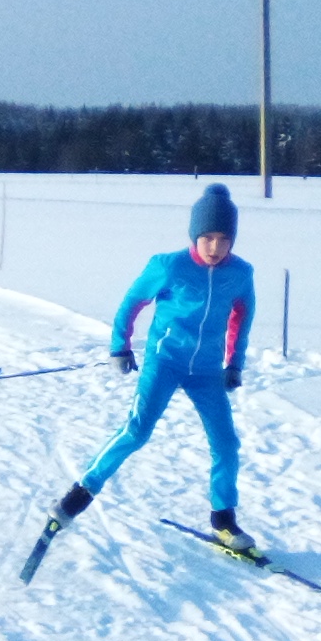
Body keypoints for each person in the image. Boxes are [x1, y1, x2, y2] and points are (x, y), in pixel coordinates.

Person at [47, 182, 257, 551]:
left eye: (223, 239)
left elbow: (243, 316)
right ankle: (78, 494)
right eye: (207, 237)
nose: (214, 247)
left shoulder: (240, 273)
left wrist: (234, 363)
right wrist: (120, 346)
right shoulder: (169, 266)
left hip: (206, 371)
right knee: (137, 431)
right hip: (166, 362)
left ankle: (224, 520)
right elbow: (132, 302)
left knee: (226, 443)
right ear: (195, 235)